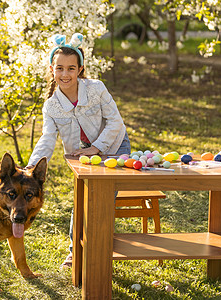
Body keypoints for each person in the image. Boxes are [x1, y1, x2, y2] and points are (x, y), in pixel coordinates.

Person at [27, 33, 131, 268]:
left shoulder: (96, 89)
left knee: (101, 198)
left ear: (80, 69)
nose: (65, 75)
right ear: (52, 69)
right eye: (60, 68)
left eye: (71, 69)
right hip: (81, 156)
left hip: (114, 146)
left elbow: (116, 122)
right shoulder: (51, 106)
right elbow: (47, 138)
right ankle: (76, 251)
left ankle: (101, 248)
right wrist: (32, 167)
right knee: (82, 200)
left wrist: (97, 148)